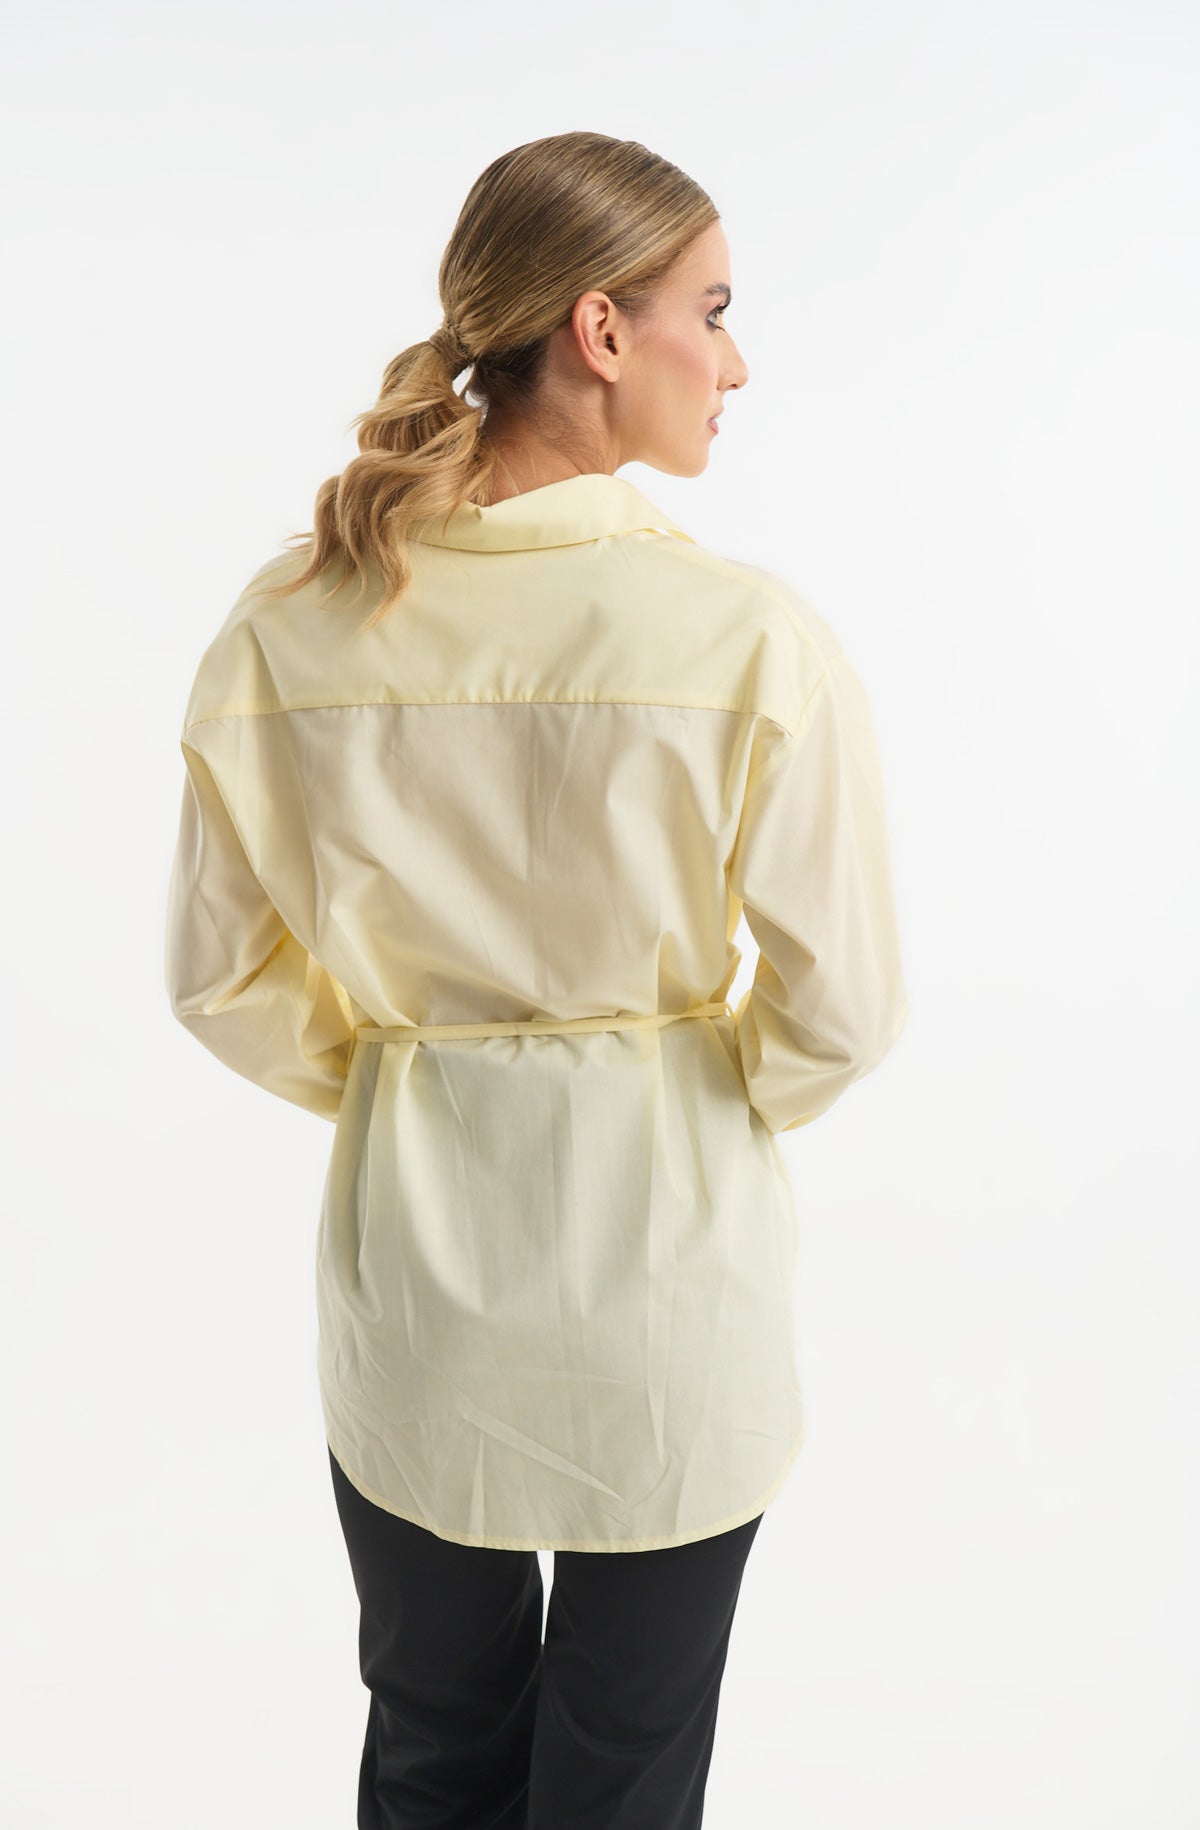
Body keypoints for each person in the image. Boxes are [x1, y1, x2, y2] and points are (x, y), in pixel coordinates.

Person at [164, 130, 910, 1830]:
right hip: (671, 1283)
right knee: (625, 1774)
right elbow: (845, 1007)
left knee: (433, 1742)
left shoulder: (287, 627)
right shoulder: (746, 637)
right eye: (711, 312)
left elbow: (217, 979)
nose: (735, 361)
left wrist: (406, 1072)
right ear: (600, 329)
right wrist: (700, 1089)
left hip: (415, 1285)